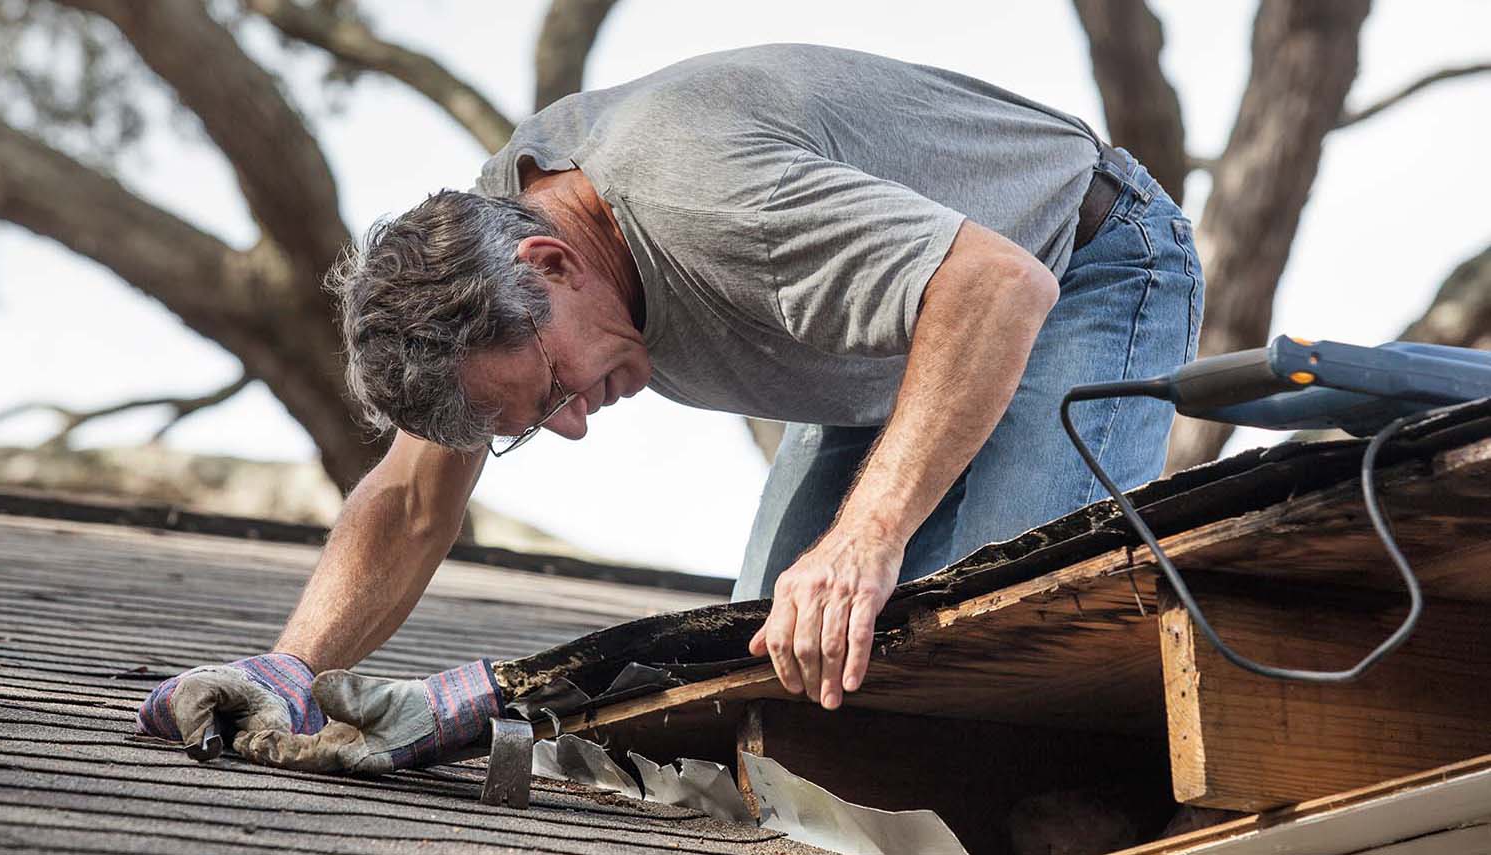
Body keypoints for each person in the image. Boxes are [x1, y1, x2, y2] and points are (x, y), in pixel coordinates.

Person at [136, 44, 1204, 773]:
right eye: (530, 425)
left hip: (1082, 263)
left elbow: (995, 288)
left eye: (552, 390)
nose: (572, 423)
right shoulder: (478, 266)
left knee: (1006, 658)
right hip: (886, 349)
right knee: (778, 699)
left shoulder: (704, 198)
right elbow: (414, 504)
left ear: (552, 263)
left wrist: (866, 539)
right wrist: (290, 671)